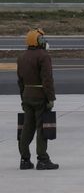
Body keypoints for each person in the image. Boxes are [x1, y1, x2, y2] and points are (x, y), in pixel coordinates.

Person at [17, 28, 58, 170]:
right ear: (38, 40)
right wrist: (50, 97)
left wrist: (23, 98)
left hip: (27, 96)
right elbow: (47, 80)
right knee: (42, 128)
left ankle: (24, 159)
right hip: (40, 96)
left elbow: (20, 81)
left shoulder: (21, 57)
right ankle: (42, 159)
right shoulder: (43, 56)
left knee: (27, 128)